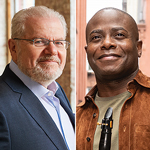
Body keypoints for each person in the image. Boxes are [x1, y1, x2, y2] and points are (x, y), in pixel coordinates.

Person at [0, 6, 75, 150]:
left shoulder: (56, 91)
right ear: (14, 47)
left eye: (59, 42)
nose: (52, 51)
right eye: (39, 41)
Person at [76, 7, 150, 150]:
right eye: (96, 37)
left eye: (119, 35)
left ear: (138, 47)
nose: (107, 43)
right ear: (87, 52)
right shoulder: (76, 118)